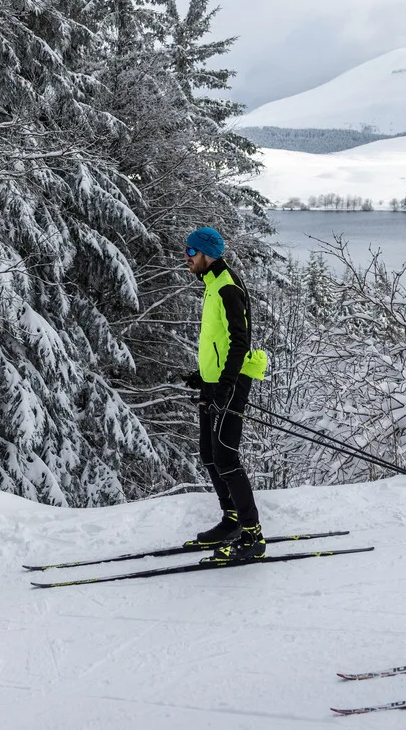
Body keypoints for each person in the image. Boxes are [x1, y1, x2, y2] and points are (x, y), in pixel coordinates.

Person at [182, 226, 268, 562]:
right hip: (215, 382)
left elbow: (239, 341)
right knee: (208, 453)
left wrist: (227, 383)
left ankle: (252, 535)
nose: (186, 259)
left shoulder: (227, 286)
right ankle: (232, 520)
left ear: (207, 253)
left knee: (226, 458)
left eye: (191, 253)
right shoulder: (212, 284)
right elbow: (215, 342)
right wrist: (203, 378)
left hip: (231, 383)